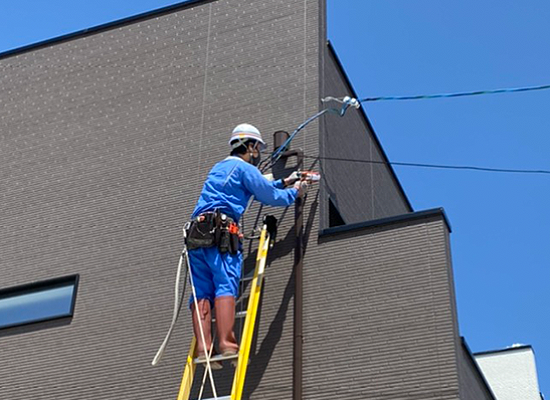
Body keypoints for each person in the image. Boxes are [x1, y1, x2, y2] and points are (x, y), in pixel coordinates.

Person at [185, 123, 305, 368]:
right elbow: (268, 196)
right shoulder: (243, 168)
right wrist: (295, 191)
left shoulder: (220, 167)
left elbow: (262, 186)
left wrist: (284, 181)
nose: (258, 154)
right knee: (225, 283)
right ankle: (227, 346)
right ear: (250, 146)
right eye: (257, 149)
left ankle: (203, 349)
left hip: (197, 234)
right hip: (221, 233)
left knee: (201, 291)